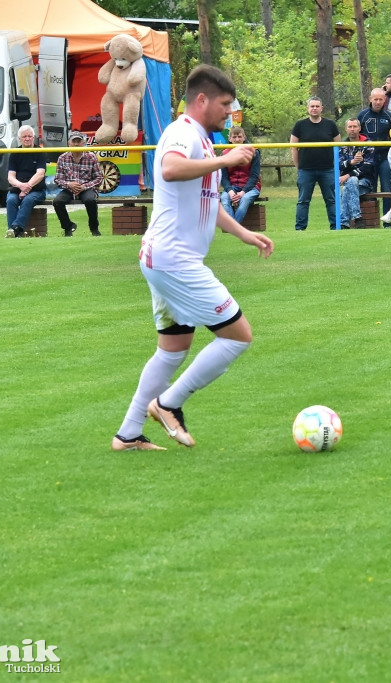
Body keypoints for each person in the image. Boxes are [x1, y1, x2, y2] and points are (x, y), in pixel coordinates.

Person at [112, 65, 274, 452]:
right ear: (201, 100)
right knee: (238, 336)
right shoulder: (182, 132)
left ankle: (128, 434)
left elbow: (206, 201)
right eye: (224, 104)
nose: (229, 113)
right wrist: (225, 160)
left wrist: (243, 233)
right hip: (174, 259)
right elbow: (170, 169)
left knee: (173, 348)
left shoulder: (201, 138)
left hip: (163, 256)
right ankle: (168, 404)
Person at [290, 97, 341, 231]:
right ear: (308, 108)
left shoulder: (330, 125)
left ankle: (335, 227)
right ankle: (300, 229)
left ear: (321, 108)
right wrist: (298, 167)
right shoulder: (300, 125)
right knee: (303, 201)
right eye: (312, 106)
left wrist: (336, 167)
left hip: (328, 170)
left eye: (317, 106)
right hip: (306, 170)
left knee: (331, 200)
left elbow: (338, 146)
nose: (314, 108)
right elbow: (293, 147)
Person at [53, 130, 103, 237]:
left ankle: (94, 228)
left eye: (78, 141)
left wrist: (84, 186)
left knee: (90, 200)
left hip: (87, 188)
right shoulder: (62, 158)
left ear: (83, 143)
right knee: (57, 202)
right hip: (68, 189)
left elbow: (99, 178)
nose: (76, 144)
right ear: (69, 143)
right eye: (73, 141)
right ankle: (68, 227)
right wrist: (69, 185)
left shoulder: (92, 157)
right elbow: (57, 179)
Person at [358, 88, 391, 214]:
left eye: (381, 99)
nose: (378, 102)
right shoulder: (362, 115)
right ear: (370, 99)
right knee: (371, 188)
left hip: (385, 157)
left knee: (387, 188)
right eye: (376, 99)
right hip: (368, 159)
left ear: (384, 100)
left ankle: (387, 220)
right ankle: (372, 219)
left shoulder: (390, 117)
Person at [4, 125, 47, 238]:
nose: (27, 139)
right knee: (11, 200)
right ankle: (14, 233)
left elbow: (40, 174)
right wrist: (21, 186)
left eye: (30, 136)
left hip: (37, 190)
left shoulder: (40, 152)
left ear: (34, 138)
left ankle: (15, 229)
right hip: (17, 189)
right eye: (24, 137)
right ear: (19, 139)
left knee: (27, 200)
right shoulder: (15, 153)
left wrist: (27, 187)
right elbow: (10, 177)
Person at [337, 118, 375, 229]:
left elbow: (367, 168)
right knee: (351, 183)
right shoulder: (342, 145)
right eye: (350, 127)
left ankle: (344, 222)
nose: (352, 129)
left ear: (359, 128)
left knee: (346, 188)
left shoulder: (368, 144)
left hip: (365, 182)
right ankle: (357, 219)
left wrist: (348, 175)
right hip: (351, 183)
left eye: (354, 127)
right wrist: (351, 162)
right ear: (346, 129)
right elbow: (338, 164)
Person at [220, 126, 262, 226]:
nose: (237, 139)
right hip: (232, 187)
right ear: (230, 139)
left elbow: (254, 176)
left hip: (250, 187)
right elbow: (224, 177)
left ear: (244, 138)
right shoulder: (224, 153)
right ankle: (234, 228)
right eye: (234, 137)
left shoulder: (254, 153)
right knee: (224, 199)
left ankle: (233, 227)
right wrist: (230, 191)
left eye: (239, 137)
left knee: (245, 199)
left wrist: (242, 192)